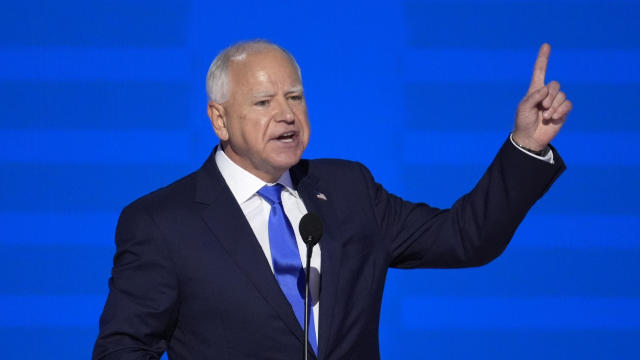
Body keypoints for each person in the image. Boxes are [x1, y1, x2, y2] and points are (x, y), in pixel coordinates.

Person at [93, 40, 571, 359]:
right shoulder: (161, 222)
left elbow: (466, 238)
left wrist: (526, 146)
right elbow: (123, 349)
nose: (286, 115)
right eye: (264, 103)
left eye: (295, 98)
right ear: (219, 120)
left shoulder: (347, 190)